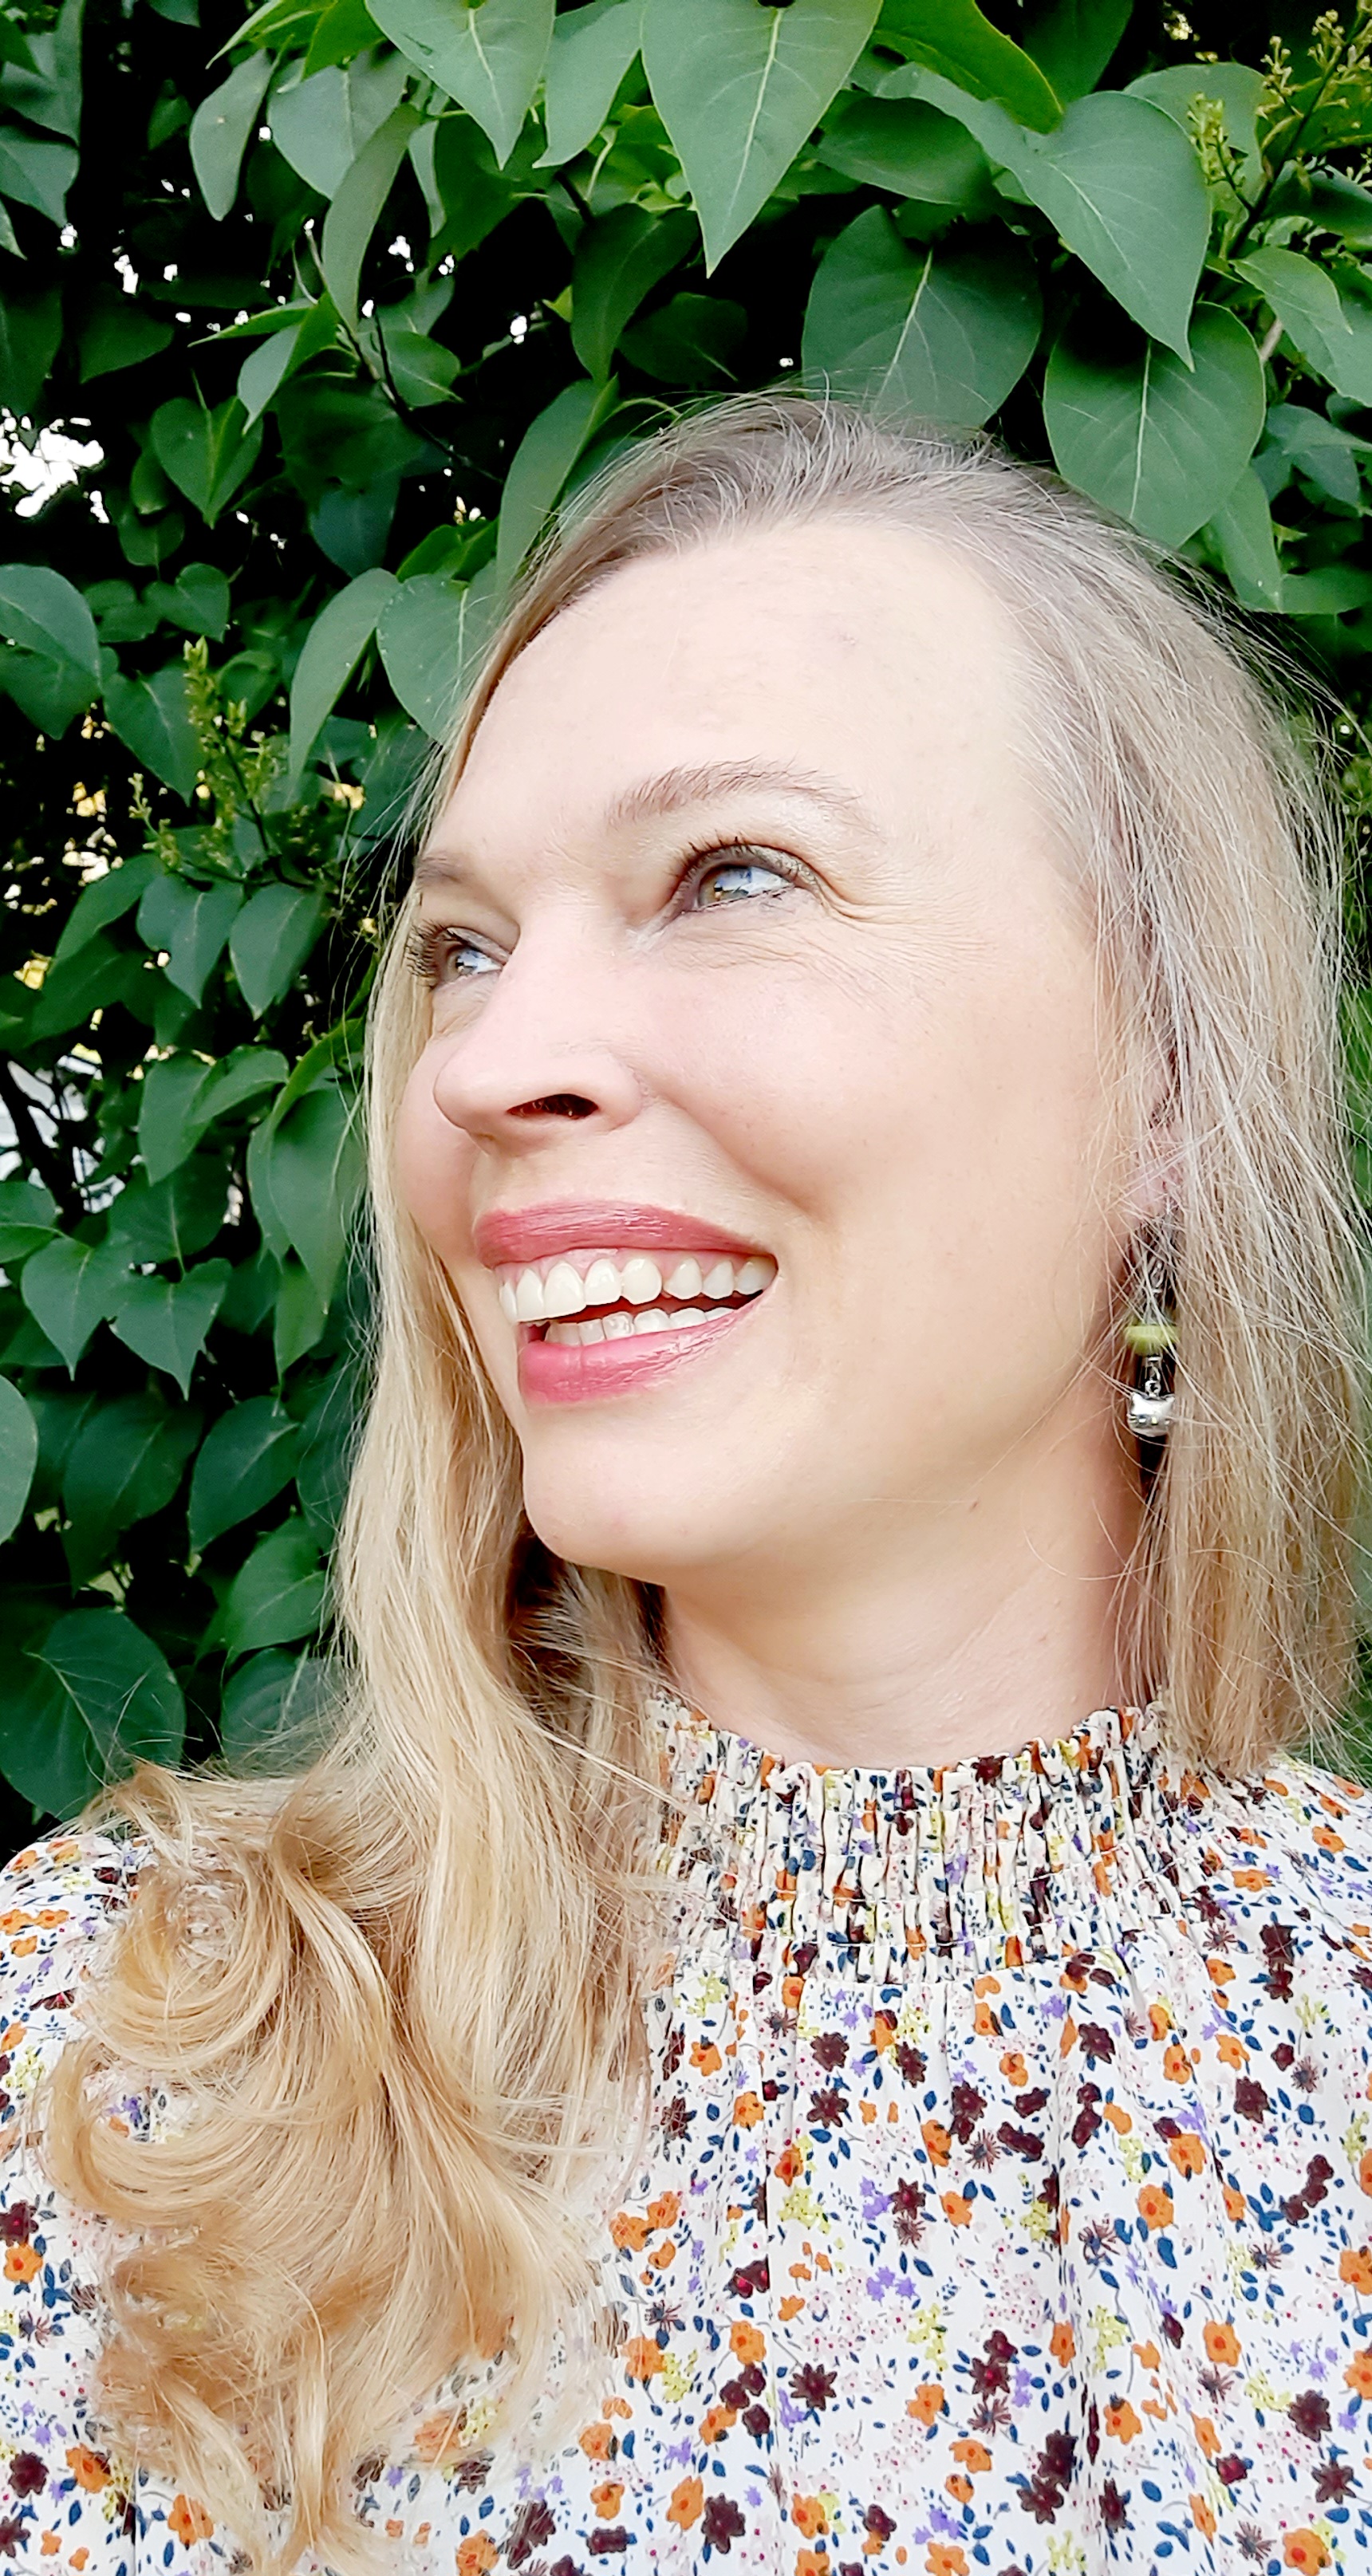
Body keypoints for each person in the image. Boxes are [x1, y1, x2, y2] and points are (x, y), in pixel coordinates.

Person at [1, 394, 1370, 2576]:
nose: (484, 1062)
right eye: (461, 946)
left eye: (734, 876)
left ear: (1171, 1083)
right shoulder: (115, 2055)